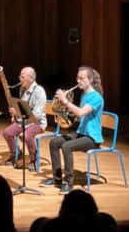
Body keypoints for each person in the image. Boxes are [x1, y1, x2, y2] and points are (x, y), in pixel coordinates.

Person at [41, 66, 104, 194]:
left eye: (81, 78)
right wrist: (63, 108)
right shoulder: (84, 95)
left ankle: (68, 182)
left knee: (66, 146)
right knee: (54, 142)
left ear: (90, 80)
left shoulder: (96, 97)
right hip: (81, 134)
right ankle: (57, 178)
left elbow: (81, 113)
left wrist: (65, 101)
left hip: (92, 138)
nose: (78, 81)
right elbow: (76, 116)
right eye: (77, 78)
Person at [0, 66, 47, 169]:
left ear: (31, 78)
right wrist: (16, 113)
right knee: (7, 133)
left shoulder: (40, 91)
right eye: (20, 76)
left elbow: (37, 115)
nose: (19, 79)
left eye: (22, 77)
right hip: (24, 120)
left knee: (25, 135)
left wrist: (19, 114)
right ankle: (16, 153)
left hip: (37, 122)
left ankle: (34, 160)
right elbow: (21, 107)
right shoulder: (22, 89)